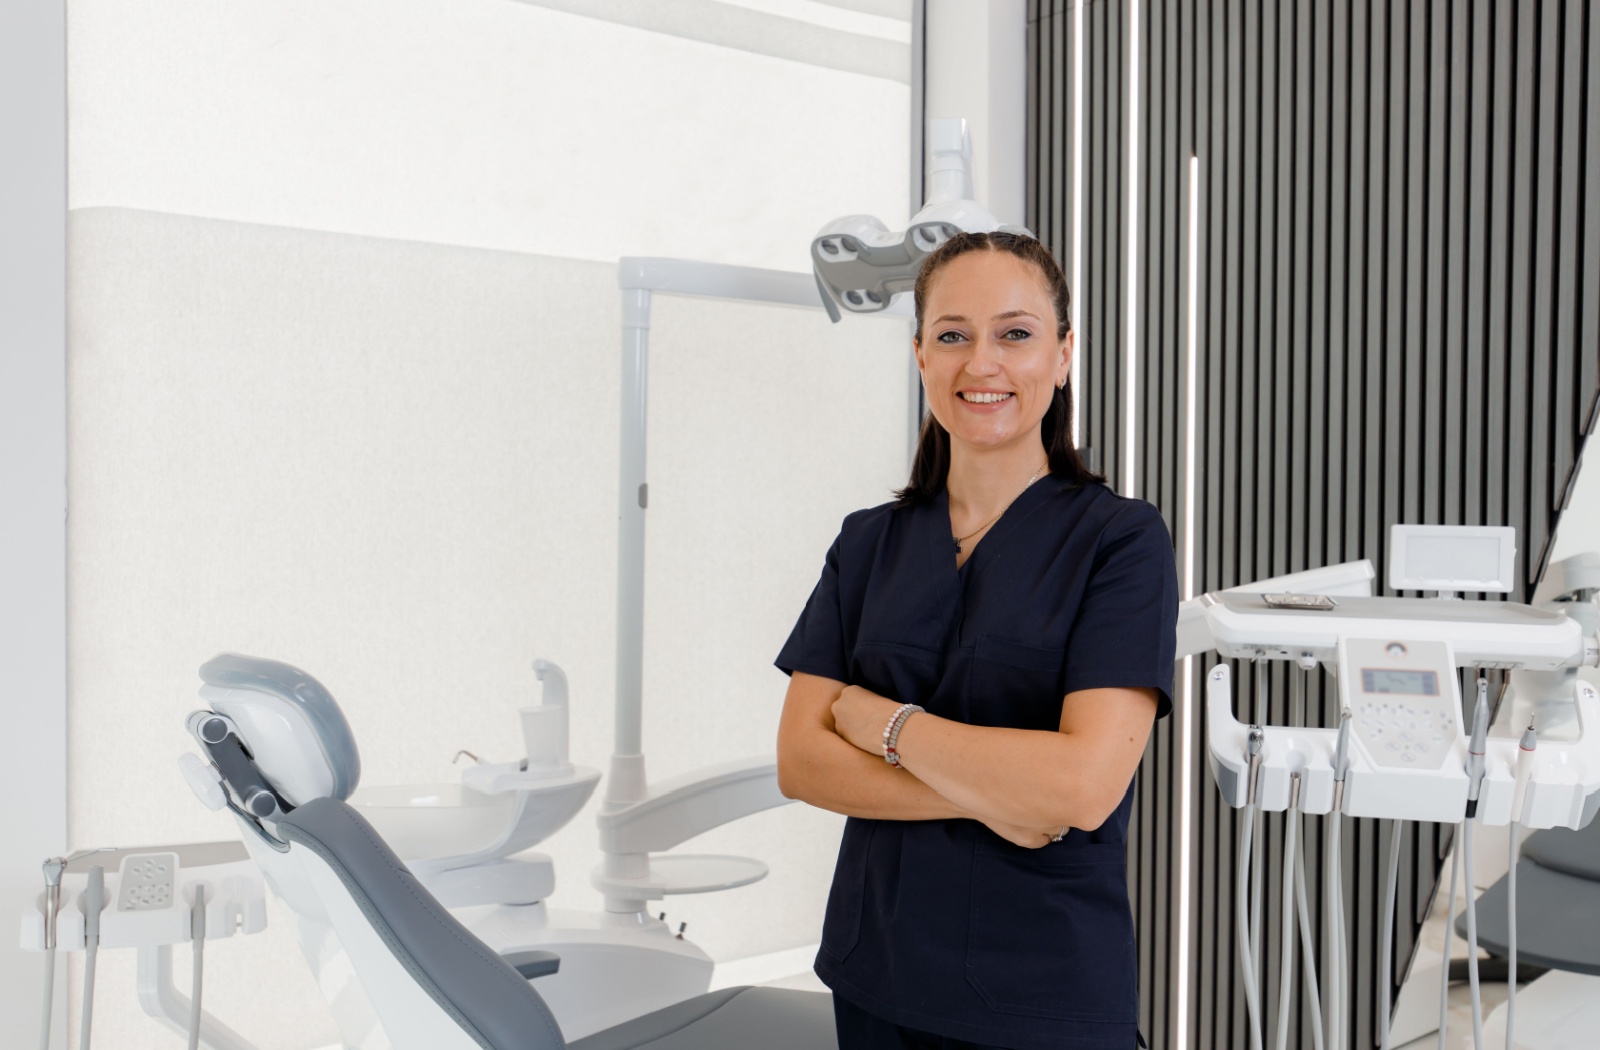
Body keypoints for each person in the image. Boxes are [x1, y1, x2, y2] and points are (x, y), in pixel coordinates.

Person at [774, 231, 1177, 1050]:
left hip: (1044, 995)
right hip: (876, 977)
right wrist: (1003, 796)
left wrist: (879, 723)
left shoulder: (1120, 542)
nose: (981, 363)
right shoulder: (868, 543)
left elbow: (1081, 789)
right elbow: (801, 763)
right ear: (920, 355)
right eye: (953, 335)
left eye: (1016, 334)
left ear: (1063, 357)